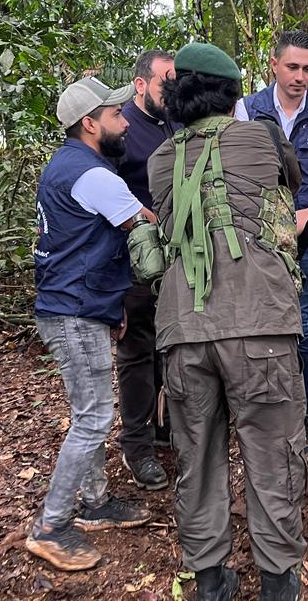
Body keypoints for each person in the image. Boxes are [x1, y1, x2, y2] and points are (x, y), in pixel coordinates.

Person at [147, 42, 306, 601]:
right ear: (233, 93)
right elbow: (291, 182)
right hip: (259, 323)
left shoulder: (159, 160)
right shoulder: (262, 139)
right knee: (274, 458)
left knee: (197, 459)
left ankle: (209, 581)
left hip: (183, 333)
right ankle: (278, 585)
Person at [26, 77, 151, 571]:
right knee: (94, 416)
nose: (125, 122)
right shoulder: (93, 175)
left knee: (91, 410)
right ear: (90, 123)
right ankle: (52, 525)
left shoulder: (72, 165)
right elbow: (143, 222)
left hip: (82, 304)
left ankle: (95, 502)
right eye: (117, 115)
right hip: (73, 310)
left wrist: (113, 304)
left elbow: (85, 241)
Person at [234, 30, 308, 460]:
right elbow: (235, 171)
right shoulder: (248, 109)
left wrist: (307, 217)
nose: (301, 76)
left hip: (306, 241)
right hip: (257, 242)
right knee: (255, 327)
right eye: (293, 67)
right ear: (274, 65)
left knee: (302, 330)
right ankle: (258, 413)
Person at [114, 49, 179, 491]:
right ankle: (136, 446)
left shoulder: (175, 122)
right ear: (140, 84)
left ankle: (162, 428)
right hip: (134, 260)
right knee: (137, 353)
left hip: (175, 259)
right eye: (163, 83)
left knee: (167, 349)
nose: (170, 91)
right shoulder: (119, 127)